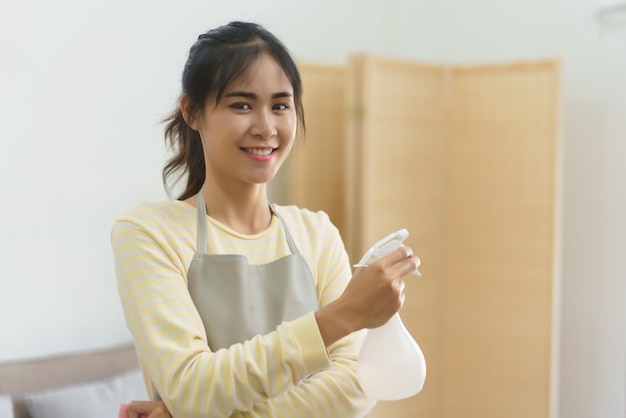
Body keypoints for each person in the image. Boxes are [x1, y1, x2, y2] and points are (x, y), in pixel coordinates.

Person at [111, 21, 420, 418]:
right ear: (193, 112)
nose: (266, 127)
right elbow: (192, 386)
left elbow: (355, 384)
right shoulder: (149, 233)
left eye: (280, 105)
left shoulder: (317, 233)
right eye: (241, 104)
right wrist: (344, 315)